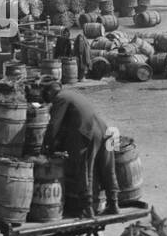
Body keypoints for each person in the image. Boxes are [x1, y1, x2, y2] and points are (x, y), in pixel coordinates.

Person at [41, 81, 118, 216]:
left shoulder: (60, 98)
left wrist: (47, 146)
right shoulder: (73, 94)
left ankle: (87, 208)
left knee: (84, 168)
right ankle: (114, 203)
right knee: (108, 168)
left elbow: (54, 125)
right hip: (106, 130)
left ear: (49, 93)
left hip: (87, 133)